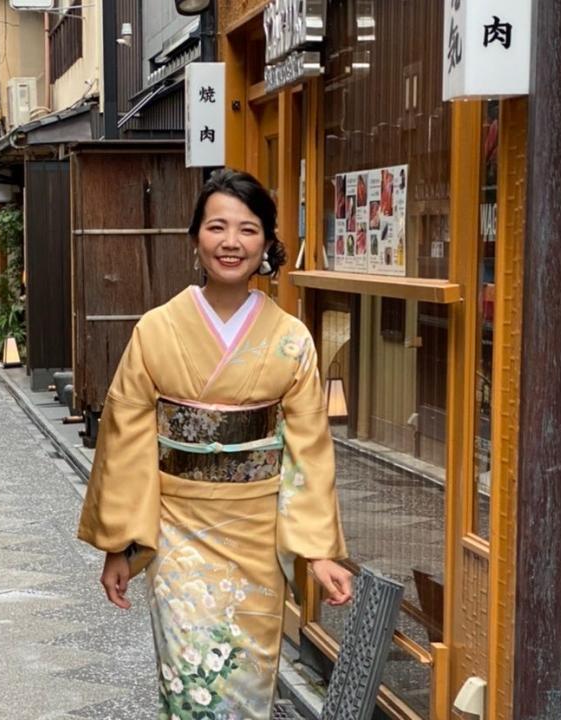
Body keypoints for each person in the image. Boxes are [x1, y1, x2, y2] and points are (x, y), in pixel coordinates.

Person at [77, 169, 352, 720]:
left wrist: (318, 548)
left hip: (257, 536)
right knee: (190, 686)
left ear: (268, 242)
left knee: (249, 687)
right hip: (178, 535)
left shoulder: (291, 338)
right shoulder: (156, 330)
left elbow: (307, 449)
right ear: (196, 237)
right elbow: (126, 440)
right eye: (217, 227)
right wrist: (120, 545)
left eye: (248, 230)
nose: (232, 243)